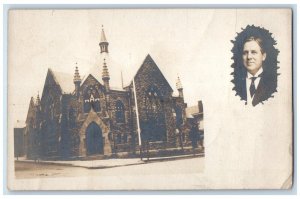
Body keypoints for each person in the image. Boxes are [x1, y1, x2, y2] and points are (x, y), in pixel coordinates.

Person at [231, 25, 279, 106]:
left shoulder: (274, 84)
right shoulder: (235, 84)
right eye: (245, 53)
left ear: (263, 56)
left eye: (253, 52)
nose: (249, 57)